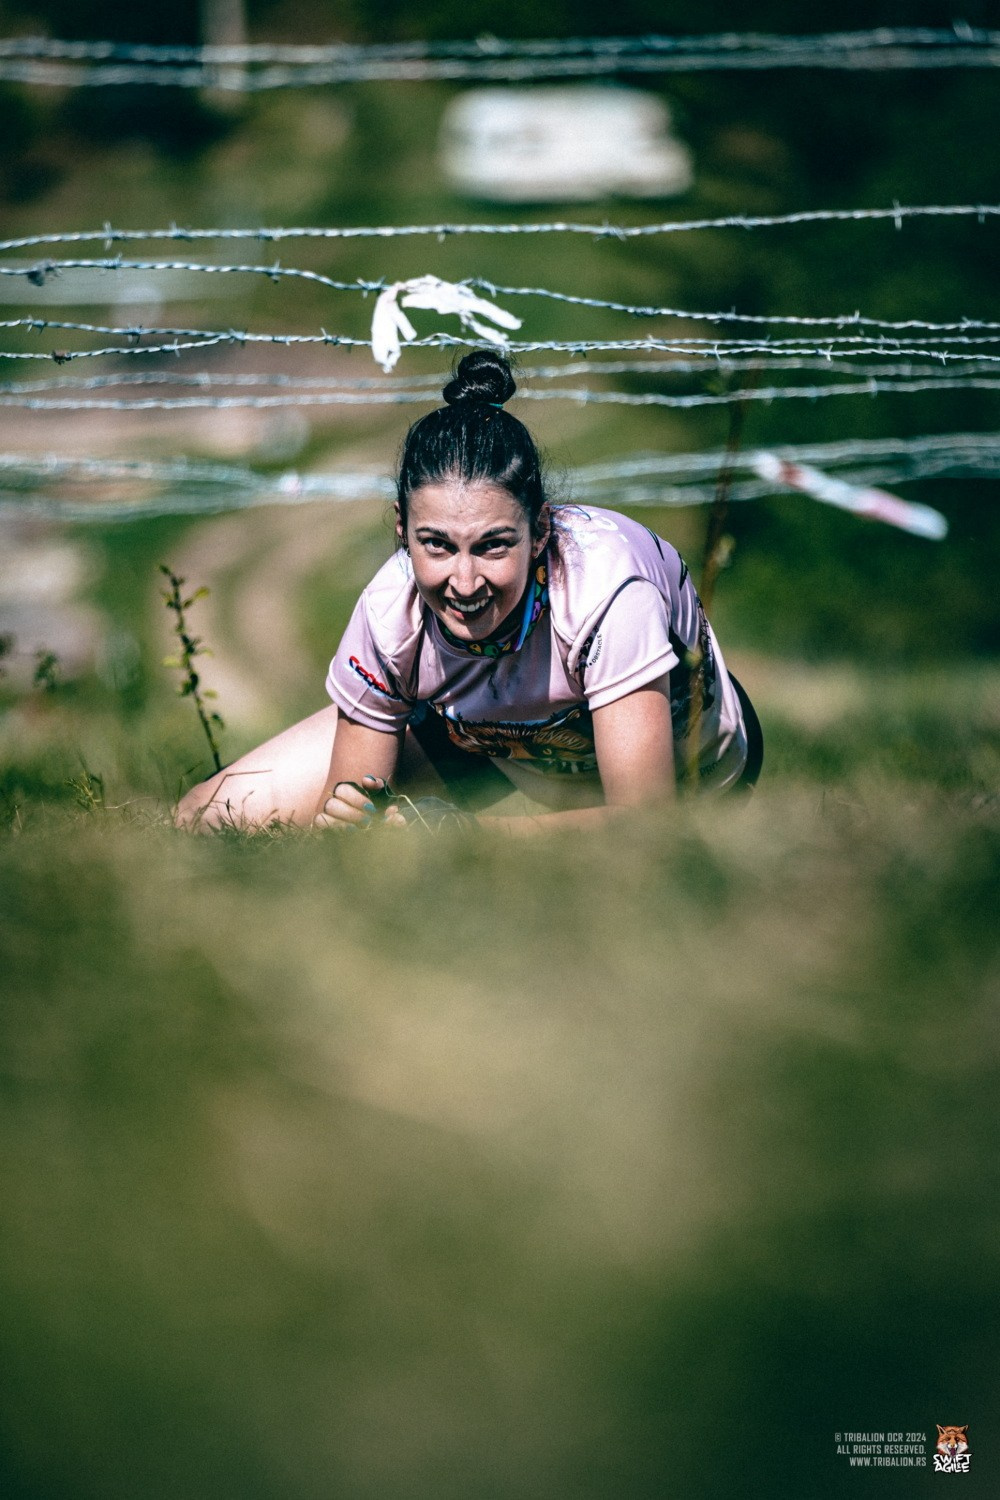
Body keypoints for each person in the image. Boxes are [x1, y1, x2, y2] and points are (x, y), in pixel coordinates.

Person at [175, 350, 762, 834]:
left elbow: (645, 827)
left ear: (540, 532)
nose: (463, 582)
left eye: (492, 546)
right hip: (492, 746)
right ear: (401, 528)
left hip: (692, 782)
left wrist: (458, 836)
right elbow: (353, 822)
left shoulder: (608, 592)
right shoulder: (389, 611)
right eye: (436, 545)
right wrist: (353, 825)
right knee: (206, 818)